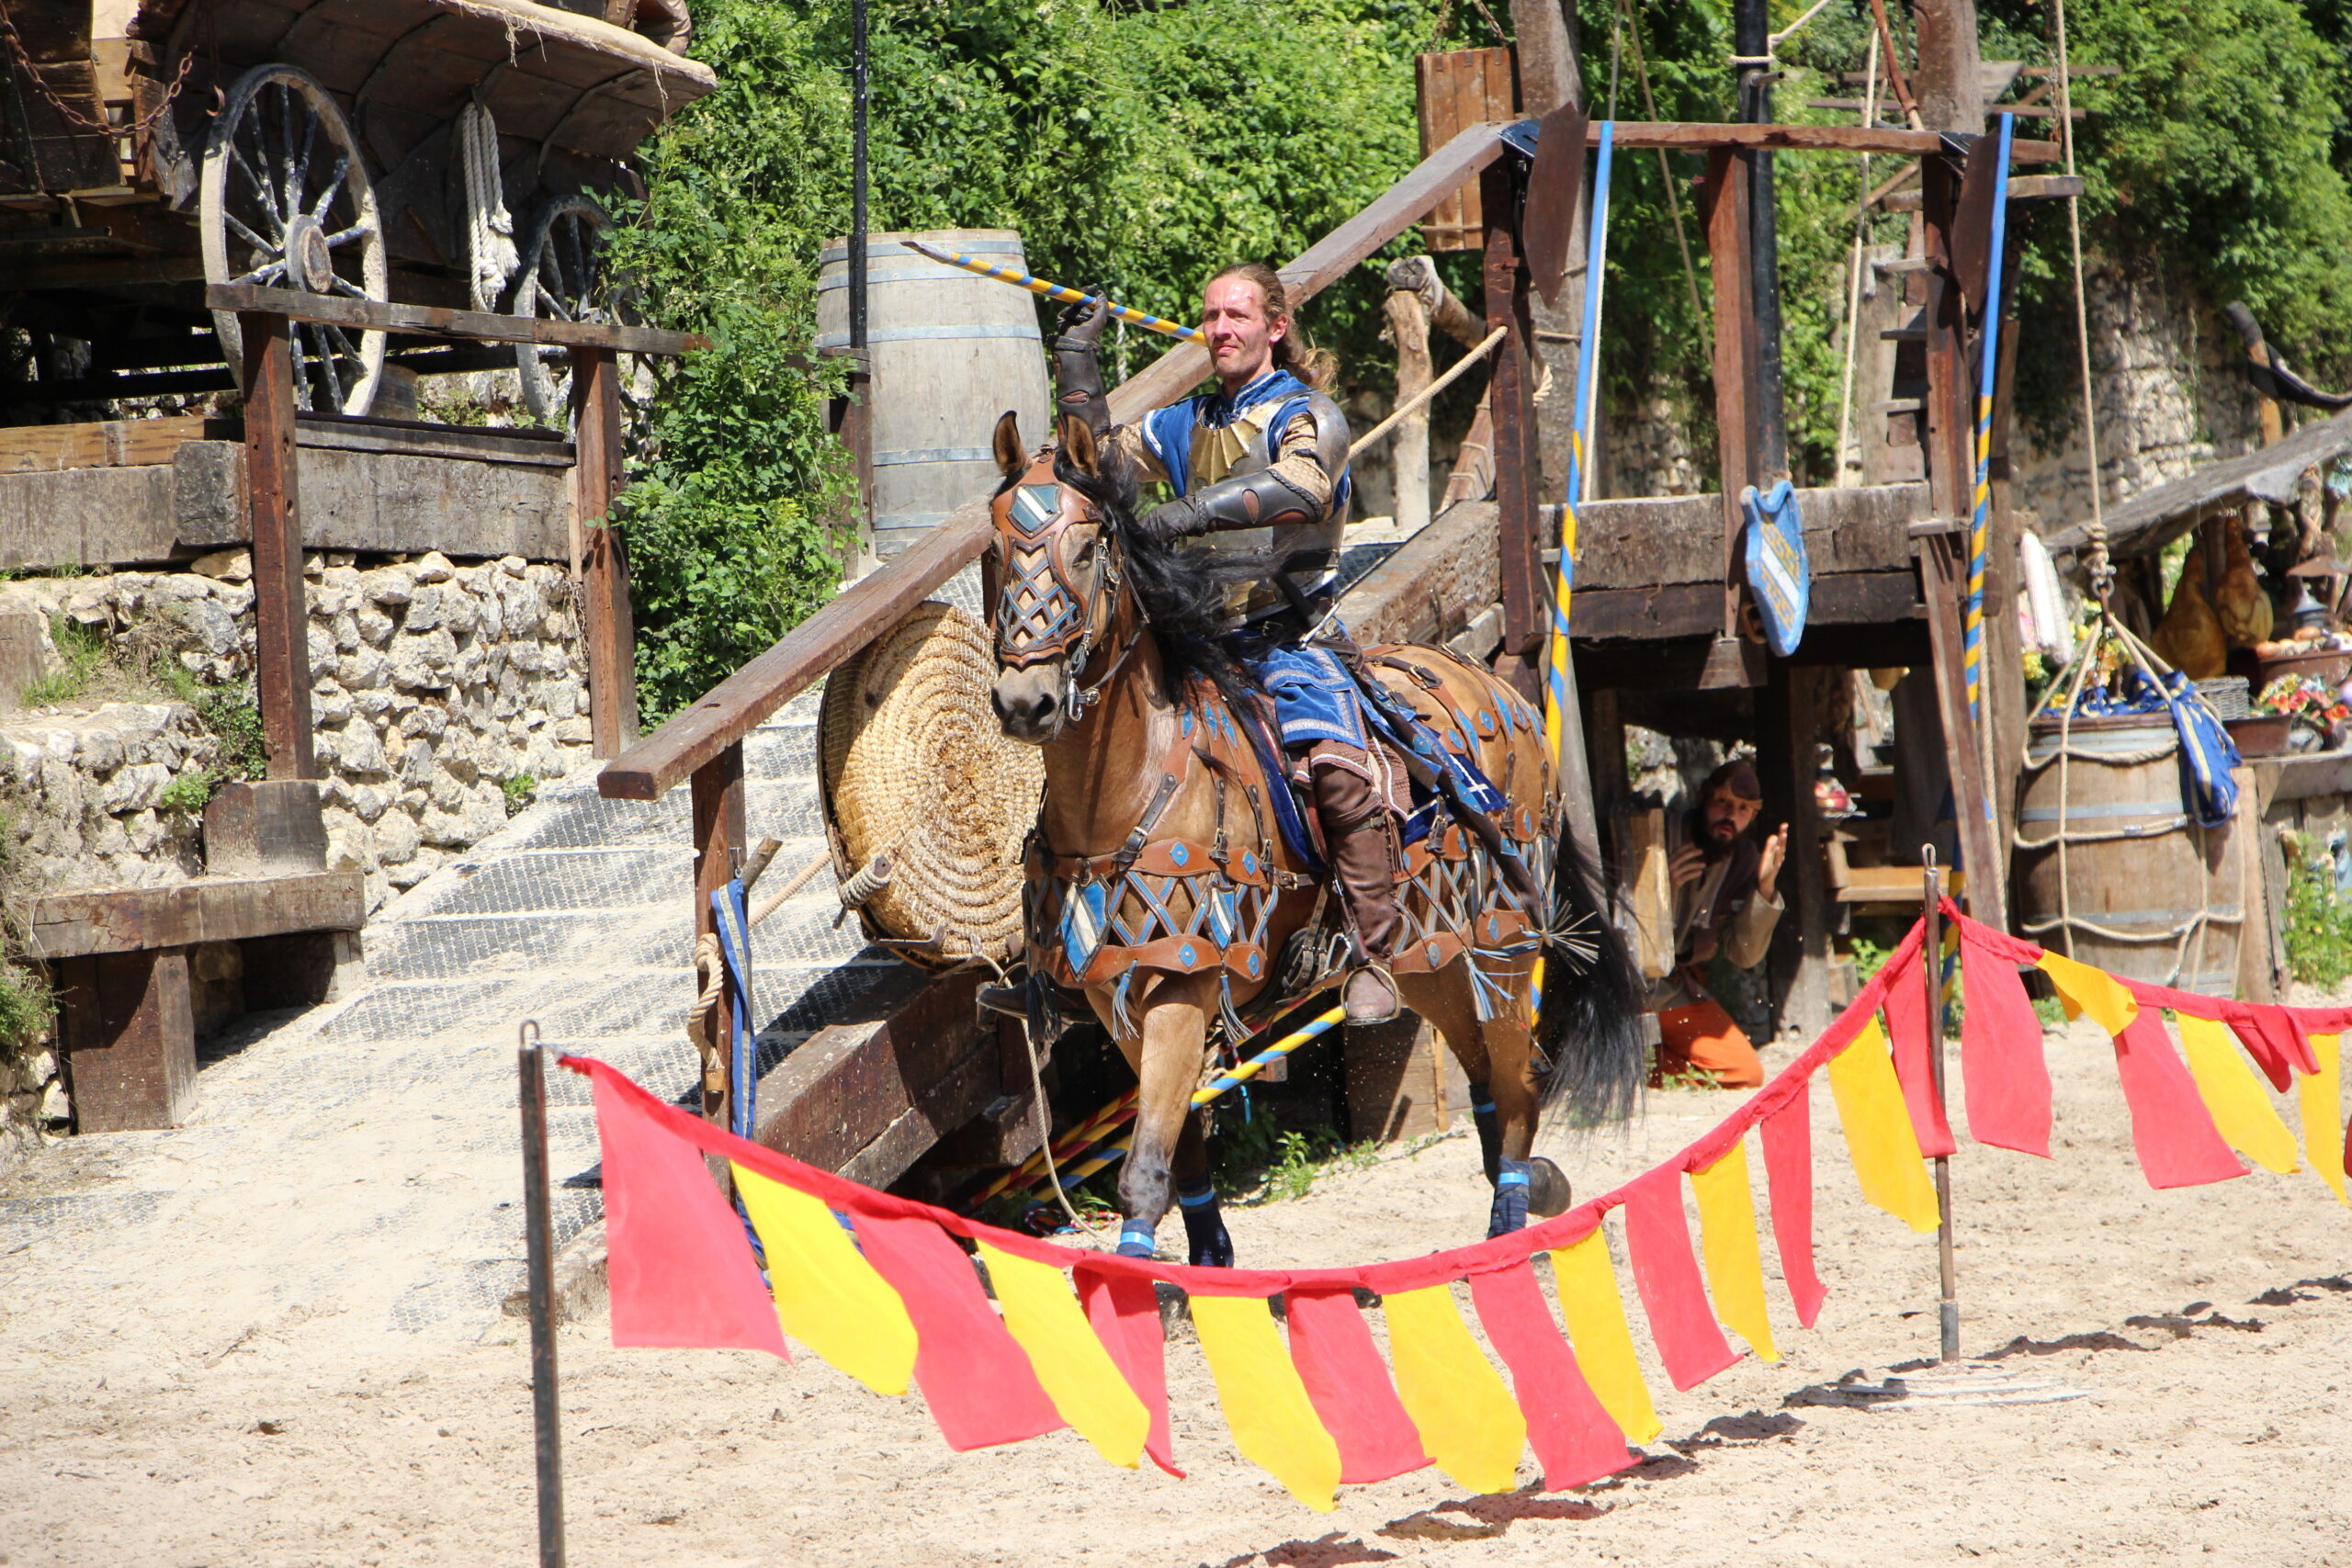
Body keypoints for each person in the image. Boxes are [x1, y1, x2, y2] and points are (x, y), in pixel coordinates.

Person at [1051, 264, 1411, 1026]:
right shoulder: (1182, 421)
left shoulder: (1308, 415)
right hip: (1195, 640)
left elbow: (1304, 486)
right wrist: (1077, 369)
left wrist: (1185, 514)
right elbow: (1098, 465)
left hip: (1290, 636)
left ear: (1274, 327)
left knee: (1338, 769)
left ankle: (1372, 951)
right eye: (1211, 316)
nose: (1220, 329)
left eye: (1237, 315)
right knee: (1087, 751)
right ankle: (1062, 951)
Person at [1645, 759, 1787, 1088]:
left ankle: (1640, 1066)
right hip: (1629, 988)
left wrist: (1764, 888)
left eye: (1743, 809)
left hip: (1672, 989)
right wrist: (1660, 887)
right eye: (1723, 802)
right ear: (1702, 798)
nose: (1730, 815)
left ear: (1753, 816)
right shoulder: (1659, 835)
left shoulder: (1741, 859)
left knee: (1744, 1073)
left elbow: (1744, 954)